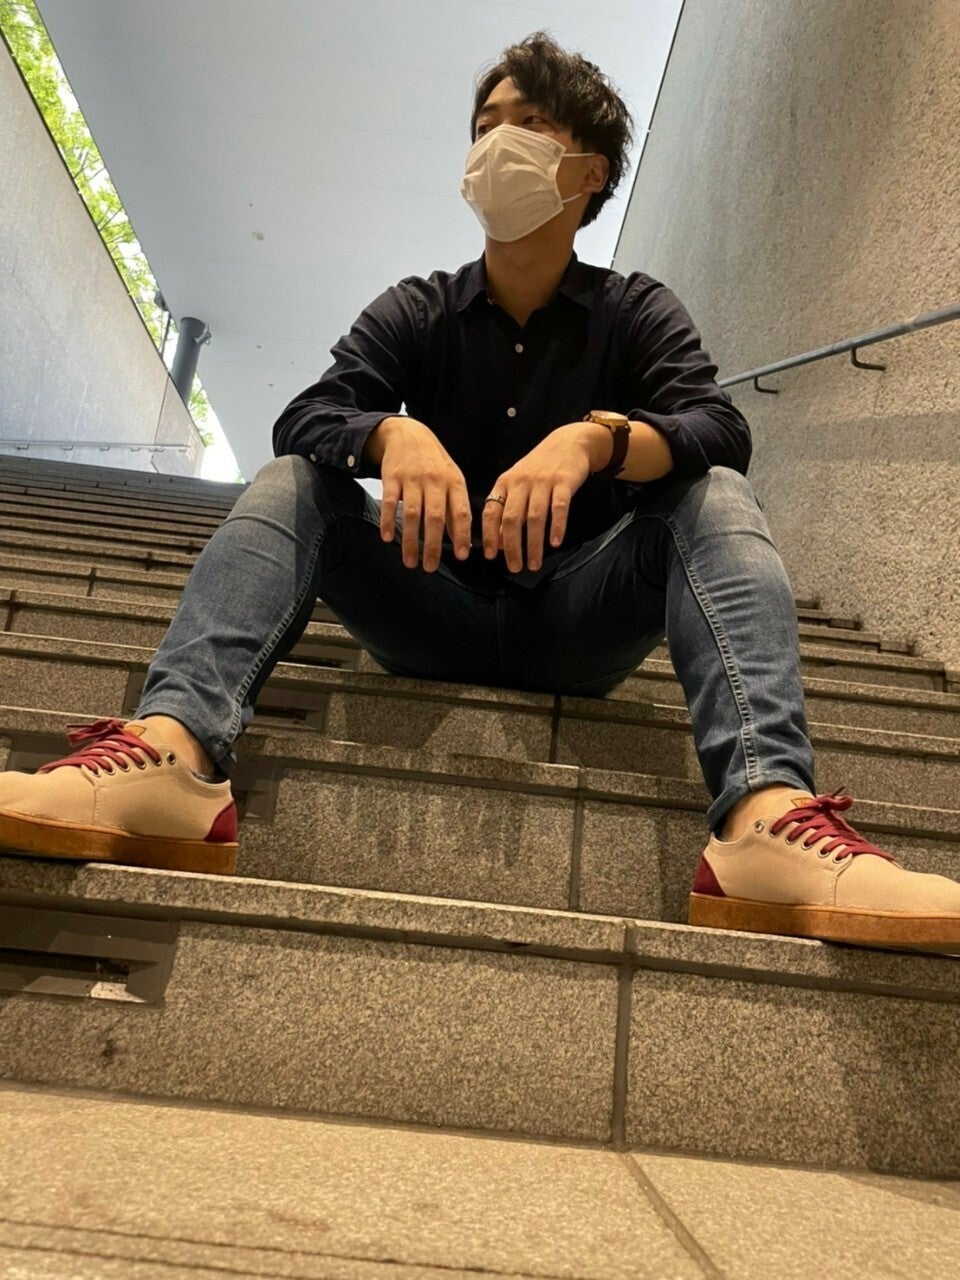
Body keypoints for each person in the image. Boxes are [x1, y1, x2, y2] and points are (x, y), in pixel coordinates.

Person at [1, 31, 957, 953]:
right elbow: (305, 417)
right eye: (484, 124)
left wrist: (597, 438)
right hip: (427, 605)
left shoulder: (635, 310)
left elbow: (720, 429)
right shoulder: (417, 307)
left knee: (716, 498)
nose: (495, 142)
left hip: (578, 620)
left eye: (528, 123)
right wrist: (391, 432)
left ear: (587, 172)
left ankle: (767, 820)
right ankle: (171, 755)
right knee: (294, 481)